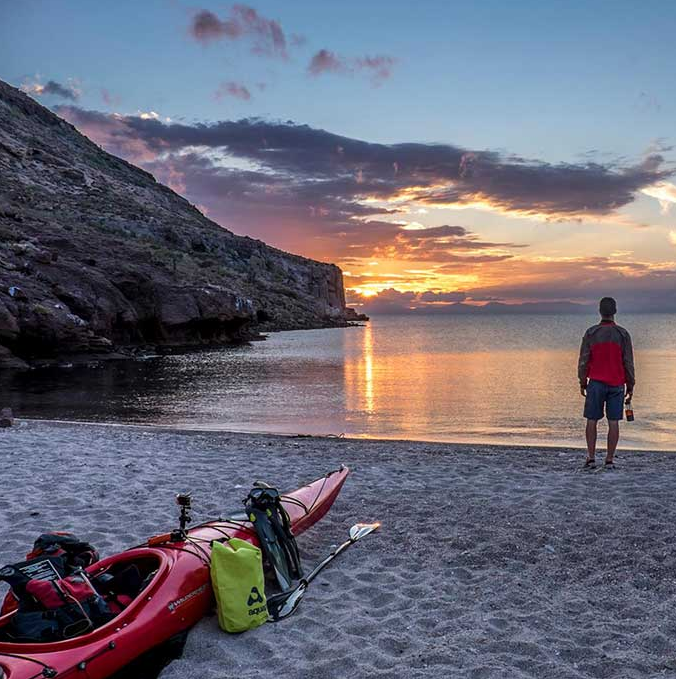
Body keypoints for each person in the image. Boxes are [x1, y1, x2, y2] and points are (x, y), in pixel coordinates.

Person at [577, 297, 635, 470]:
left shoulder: (591, 333)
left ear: (600, 311)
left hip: (596, 382)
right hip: (617, 383)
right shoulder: (623, 334)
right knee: (613, 422)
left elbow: (584, 360)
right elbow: (628, 362)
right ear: (615, 311)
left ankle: (591, 457)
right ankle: (609, 460)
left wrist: (582, 380)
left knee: (592, 420)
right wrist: (631, 384)